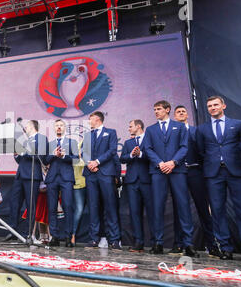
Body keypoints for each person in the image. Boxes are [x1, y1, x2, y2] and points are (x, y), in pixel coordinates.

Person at [197, 96, 241, 263]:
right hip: (213, 174)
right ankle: (225, 248)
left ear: (223, 105)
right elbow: (201, 151)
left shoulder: (239, 124)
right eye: (209, 106)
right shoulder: (202, 129)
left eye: (215, 104)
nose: (212, 108)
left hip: (236, 172)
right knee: (217, 211)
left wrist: (237, 163)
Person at [143, 100, 196, 257]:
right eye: (154, 109)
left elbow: (184, 147)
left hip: (177, 170)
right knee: (157, 206)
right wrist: (160, 163)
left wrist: (173, 162)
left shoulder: (179, 127)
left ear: (167, 110)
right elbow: (148, 148)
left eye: (159, 109)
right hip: (158, 171)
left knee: (183, 206)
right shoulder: (151, 129)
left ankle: (188, 244)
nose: (156, 112)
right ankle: (158, 243)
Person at [173, 105, 220, 257]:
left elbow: (202, 152)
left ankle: (211, 244)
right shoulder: (172, 133)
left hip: (195, 172)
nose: (181, 113)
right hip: (178, 173)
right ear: (174, 116)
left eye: (183, 111)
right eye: (178, 112)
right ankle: (180, 244)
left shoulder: (196, 131)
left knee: (203, 209)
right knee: (179, 208)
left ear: (187, 115)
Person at [81, 111, 121, 249]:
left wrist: (97, 162)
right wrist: (89, 163)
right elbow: (83, 152)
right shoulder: (87, 135)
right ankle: (94, 238)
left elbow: (112, 151)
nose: (89, 121)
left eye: (90, 118)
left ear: (97, 119)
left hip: (105, 173)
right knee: (93, 206)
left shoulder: (110, 132)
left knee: (110, 206)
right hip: (91, 174)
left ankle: (114, 239)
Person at [5, 120, 48, 241]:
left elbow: (40, 155)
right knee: (14, 203)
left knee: (30, 205)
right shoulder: (24, 141)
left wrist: (23, 152)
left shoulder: (41, 138)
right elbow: (21, 161)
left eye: (27, 126)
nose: (25, 128)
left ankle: (27, 233)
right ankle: (12, 230)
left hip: (32, 176)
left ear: (33, 127)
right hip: (20, 175)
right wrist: (16, 155)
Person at [120, 119, 154, 253]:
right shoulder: (128, 143)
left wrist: (140, 154)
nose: (129, 129)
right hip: (132, 181)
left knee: (152, 212)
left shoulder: (149, 139)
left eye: (130, 126)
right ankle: (138, 242)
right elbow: (122, 158)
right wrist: (131, 154)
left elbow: (153, 157)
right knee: (134, 212)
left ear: (138, 126)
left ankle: (155, 242)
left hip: (147, 180)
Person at [45, 119, 78, 247]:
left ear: (65, 128)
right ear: (54, 129)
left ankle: (68, 237)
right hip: (52, 178)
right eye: (57, 126)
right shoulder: (50, 143)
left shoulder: (72, 142)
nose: (59, 127)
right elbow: (45, 160)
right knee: (52, 208)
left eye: (61, 125)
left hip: (66, 178)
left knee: (68, 206)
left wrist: (64, 156)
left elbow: (76, 159)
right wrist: (54, 155)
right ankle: (54, 237)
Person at [71, 140, 86, 246]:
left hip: (92, 184)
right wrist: (81, 157)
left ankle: (99, 238)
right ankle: (73, 234)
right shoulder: (77, 147)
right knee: (79, 210)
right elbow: (75, 164)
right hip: (78, 185)